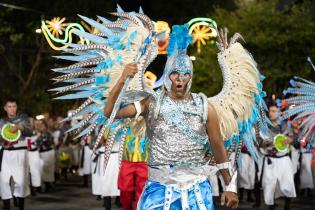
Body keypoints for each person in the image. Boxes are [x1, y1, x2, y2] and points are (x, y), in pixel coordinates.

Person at [104, 25, 240, 209]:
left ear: (191, 77)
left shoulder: (204, 106)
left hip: (197, 192)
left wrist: (229, 185)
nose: (180, 79)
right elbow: (110, 112)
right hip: (159, 191)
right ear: (167, 74)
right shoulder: (151, 103)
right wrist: (122, 79)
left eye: (186, 74)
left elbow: (218, 146)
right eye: (175, 73)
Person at [260, 104, 296, 210]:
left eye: (274, 111)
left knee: (288, 184)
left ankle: (287, 207)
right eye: (270, 111)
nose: (270, 113)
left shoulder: (286, 126)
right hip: (270, 161)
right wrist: (264, 143)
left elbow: (295, 137)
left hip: (284, 160)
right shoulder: (264, 127)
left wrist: (291, 139)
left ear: (279, 113)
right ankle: (271, 208)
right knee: (269, 186)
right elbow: (258, 141)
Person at [0, 98, 32, 210]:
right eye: (9, 106)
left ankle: (21, 207)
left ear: (16, 107)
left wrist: (19, 127)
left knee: (21, 182)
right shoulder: (2, 121)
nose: (12, 109)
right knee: (3, 181)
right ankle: (7, 206)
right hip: (7, 153)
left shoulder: (23, 118)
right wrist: (3, 142)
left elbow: (30, 132)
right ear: (5, 108)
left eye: (14, 106)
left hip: (21, 152)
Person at [118, 123, 148, 210]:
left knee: (143, 191)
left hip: (144, 159)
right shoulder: (123, 114)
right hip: (127, 159)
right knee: (124, 189)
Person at [37, 120, 55, 192]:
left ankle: (48, 185)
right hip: (41, 153)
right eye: (39, 125)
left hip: (47, 152)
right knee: (42, 169)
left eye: (42, 125)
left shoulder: (47, 133)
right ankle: (46, 185)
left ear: (45, 126)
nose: (40, 127)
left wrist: (40, 137)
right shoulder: (39, 133)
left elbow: (47, 143)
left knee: (47, 169)